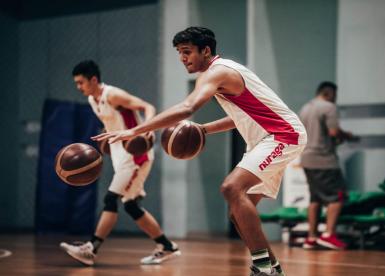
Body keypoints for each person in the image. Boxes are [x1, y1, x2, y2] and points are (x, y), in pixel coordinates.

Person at [93, 27, 307, 276]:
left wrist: (135, 130)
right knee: (237, 211)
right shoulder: (220, 73)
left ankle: (262, 268)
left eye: (187, 52)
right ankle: (273, 268)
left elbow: (187, 108)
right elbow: (238, 117)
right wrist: (203, 130)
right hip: (263, 139)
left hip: (283, 135)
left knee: (231, 188)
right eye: (179, 54)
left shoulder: (218, 72)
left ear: (206, 51)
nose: (183, 58)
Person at [60, 60, 180, 266]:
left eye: (81, 82)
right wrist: (108, 140)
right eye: (77, 83)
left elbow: (146, 106)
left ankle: (92, 248)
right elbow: (114, 123)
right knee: (131, 205)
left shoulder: (113, 95)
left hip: (134, 157)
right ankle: (167, 246)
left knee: (110, 199)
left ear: (94, 80)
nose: (79, 87)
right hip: (120, 155)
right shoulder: (92, 99)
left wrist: (148, 129)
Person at [299, 81, 356, 250]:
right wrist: (348, 136)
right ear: (329, 93)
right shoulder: (329, 107)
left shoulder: (305, 108)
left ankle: (311, 237)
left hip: (307, 158)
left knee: (315, 198)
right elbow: (333, 132)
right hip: (324, 160)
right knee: (338, 196)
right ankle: (329, 234)